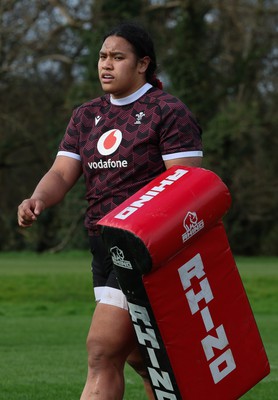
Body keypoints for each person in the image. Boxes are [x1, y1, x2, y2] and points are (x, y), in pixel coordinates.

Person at [17, 22, 203, 400]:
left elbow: (187, 186)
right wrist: (37, 198)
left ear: (142, 64)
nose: (106, 64)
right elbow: (61, 171)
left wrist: (149, 231)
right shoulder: (86, 115)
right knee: (139, 355)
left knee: (102, 348)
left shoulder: (167, 111)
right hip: (102, 245)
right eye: (103, 56)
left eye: (118, 57)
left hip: (144, 248)